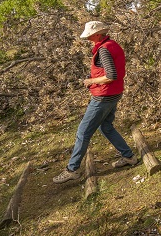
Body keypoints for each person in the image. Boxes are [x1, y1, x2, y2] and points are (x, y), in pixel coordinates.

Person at [53, 21, 139, 184]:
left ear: (98, 34)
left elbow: (111, 75)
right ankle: (129, 157)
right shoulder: (112, 44)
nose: (88, 38)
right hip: (115, 93)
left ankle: (72, 169)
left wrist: (91, 80)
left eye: (90, 35)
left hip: (103, 96)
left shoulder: (104, 50)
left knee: (82, 132)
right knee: (106, 127)